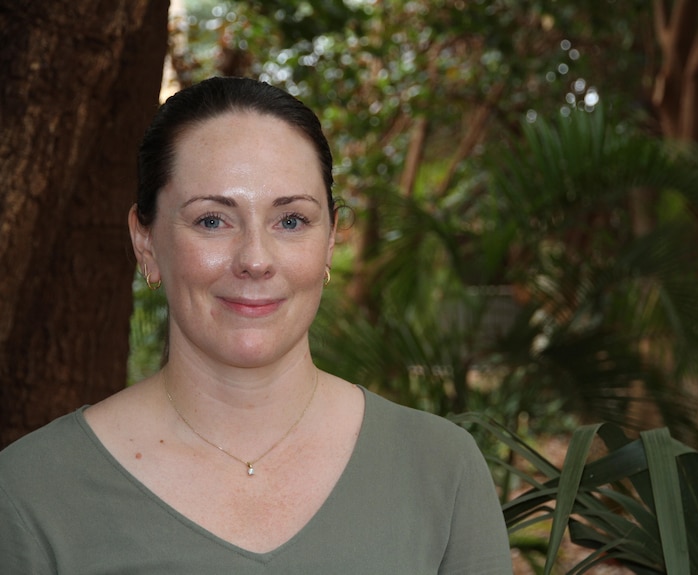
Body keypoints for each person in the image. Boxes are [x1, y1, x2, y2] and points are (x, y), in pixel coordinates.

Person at [0, 77, 513, 574]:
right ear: (146, 242)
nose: (255, 259)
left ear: (330, 239)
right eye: (211, 220)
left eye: (290, 221)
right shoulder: (32, 491)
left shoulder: (441, 468)